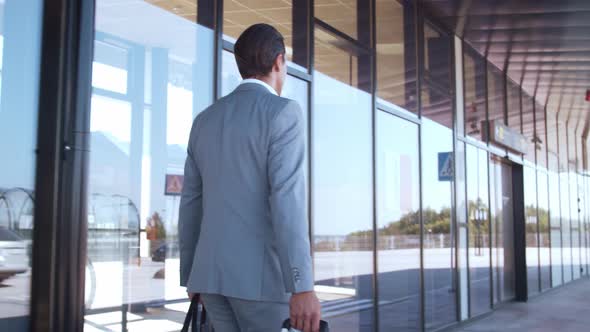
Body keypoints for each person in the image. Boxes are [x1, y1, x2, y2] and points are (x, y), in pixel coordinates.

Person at [178, 23, 321, 332]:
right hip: (262, 283)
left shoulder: (204, 120)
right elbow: (288, 201)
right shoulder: (283, 112)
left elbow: (190, 202)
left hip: (210, 280)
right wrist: (302, 285)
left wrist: (191, 275)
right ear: (278, 62)